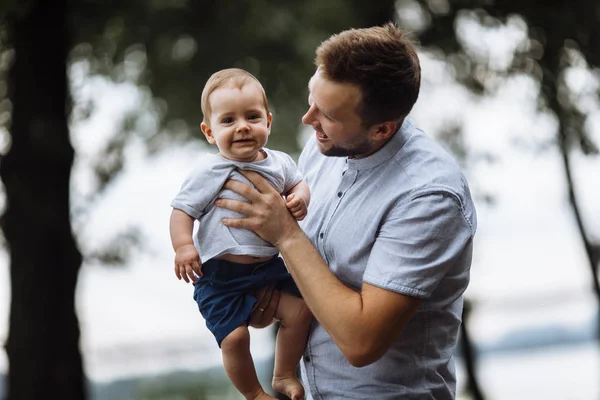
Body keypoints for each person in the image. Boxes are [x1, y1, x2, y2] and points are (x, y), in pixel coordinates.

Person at [215, 23, 478, 399]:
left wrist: (286, 235)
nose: (308, 120)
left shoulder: (429, 196)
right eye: (311, 100)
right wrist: (263, 300)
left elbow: (360, 341)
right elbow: (310, 275)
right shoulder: (322, 150)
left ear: (382, 129)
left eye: (328, 115)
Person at [169, 68, 312, 400]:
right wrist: (183, 247)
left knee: (301, 312)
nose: (243, 126)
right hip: (221, 276)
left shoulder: (279, 162)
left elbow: (299, 183)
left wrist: (300, 199)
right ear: (209, 131)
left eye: (252, 116)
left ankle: (283, 374)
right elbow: (182, 211)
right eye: (228, 121)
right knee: (234, 339)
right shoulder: (208, 170)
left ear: (268, 122)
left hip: (271, 269)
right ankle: (254, 394)